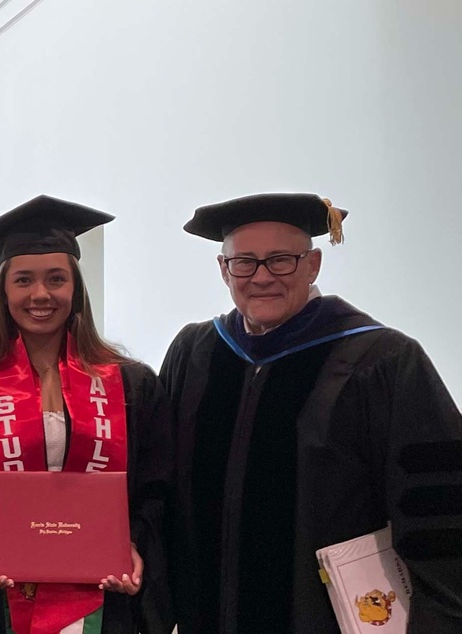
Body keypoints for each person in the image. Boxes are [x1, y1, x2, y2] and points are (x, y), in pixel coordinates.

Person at [161, 193, 462, 633]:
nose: (261, 276)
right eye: (244, 262)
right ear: (224, 271)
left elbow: (438, 514)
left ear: (313, 264)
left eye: (281, 260)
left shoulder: (383, 360)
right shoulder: (196, 353)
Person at [0, 196, 173, 634]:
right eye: (24, 280)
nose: (40, 295)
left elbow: (156, 482)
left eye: (56, 279)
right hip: (0, 595)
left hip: (101, 593)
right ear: (4, 290)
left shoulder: (131, 384)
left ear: (75, 289)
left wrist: (132, 543)